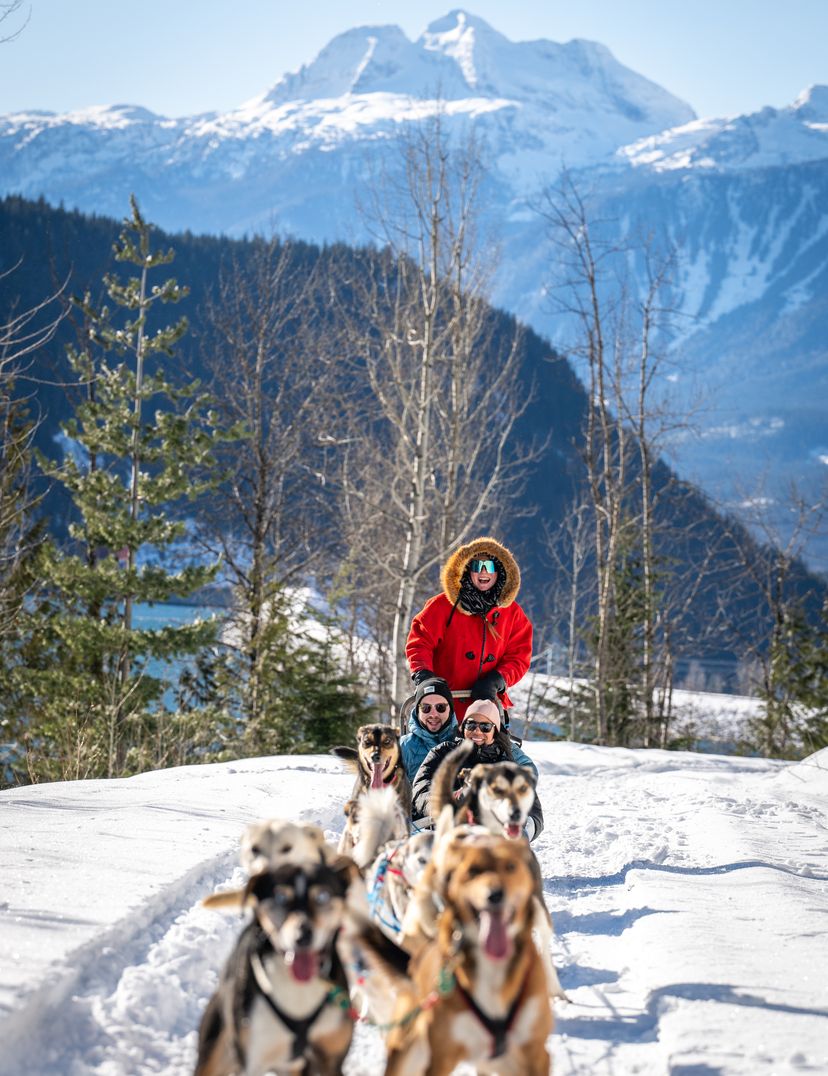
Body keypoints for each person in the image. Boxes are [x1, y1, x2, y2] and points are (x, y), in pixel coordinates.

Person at [405, 536, 532, 723]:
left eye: (489, 567)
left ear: (499, 572)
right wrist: (424, 677)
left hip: (486, 708)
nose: (483, 572)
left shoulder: (512, 613)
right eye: (476, 567)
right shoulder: (441, 606)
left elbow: (519, 656)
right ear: (466, 570)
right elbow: (420, 642)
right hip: (441, 708)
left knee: (498, 751)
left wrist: (497, 680)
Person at [411, 699, 543, 839]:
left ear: (495, 730)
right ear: (463, 727)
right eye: (471, 725)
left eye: (485, 727)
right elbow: (421, 789)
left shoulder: (505, 766)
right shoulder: (442, 753)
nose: (477, 731)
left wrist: (525, 832)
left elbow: (533, 811)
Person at [399, 676, 459, 783]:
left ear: (450, 709)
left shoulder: (462, 743)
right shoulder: (404, 746)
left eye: (440, 707)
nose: (433, 714)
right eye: (426, 708)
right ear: (418, 711)